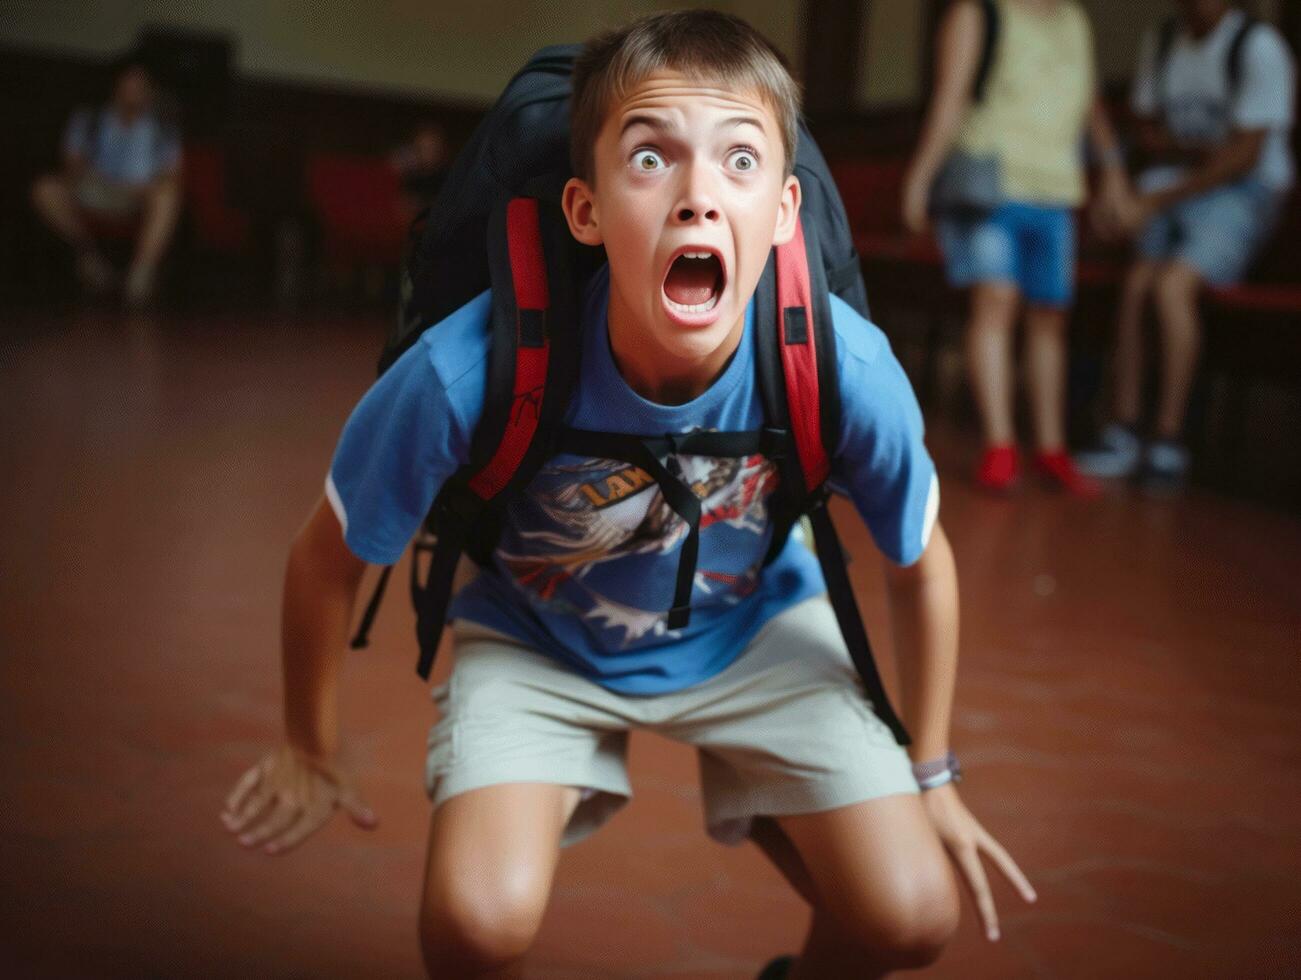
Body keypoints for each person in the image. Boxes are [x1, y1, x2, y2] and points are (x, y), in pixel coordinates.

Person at [220, 12, 1035, 979]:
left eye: (739, 160)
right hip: (539, 634)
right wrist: (311, 744)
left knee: (909, 918)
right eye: (651, 160)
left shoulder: (845, 367)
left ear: (781, 214)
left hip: (757, 629)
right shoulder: (465, 370)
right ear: (585, 210)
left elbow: (920, 561)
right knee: (476, 925)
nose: (697, 197)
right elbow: (327, 560)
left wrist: (932, 769)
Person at [902, 0, 1131, 495]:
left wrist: (1112, 169)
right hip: (990, 184)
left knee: (1050, 318)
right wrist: (920, 178)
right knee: (996, 304)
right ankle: (1000, 445)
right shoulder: (976, 12)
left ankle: (1051, 449)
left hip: (1056, 192)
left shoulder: (1074, 19)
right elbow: (951, 99)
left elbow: (1089, 104)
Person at [1077, 0, 1295, 487]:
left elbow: (1244, 157)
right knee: (1137, 284)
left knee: (1173, 286)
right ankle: (1124, 431)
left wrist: (1157, 197)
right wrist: (1177, 170)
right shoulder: (1164, 39)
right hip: (1172, 186)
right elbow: (1148, 132)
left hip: (1244, 193)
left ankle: (1168, 439)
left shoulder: (1257, 48)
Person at [30, 57, 182, 307]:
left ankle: (140, 275)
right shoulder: (89, 119)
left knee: (168, 195)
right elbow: (71, 165)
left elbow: (173, 175)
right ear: (115, 86)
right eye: (129, 84)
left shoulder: (163, 127)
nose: (134, 92)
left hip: (139, 195)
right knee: (44, 189)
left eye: (141, 87)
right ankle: (88, 257)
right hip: (95, 187)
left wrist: (147, 186)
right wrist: (88, 175)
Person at [391, 121, 451, 219]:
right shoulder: (411, 177)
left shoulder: (448, 178)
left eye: (432, 148)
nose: (427, 154)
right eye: (422, 148)